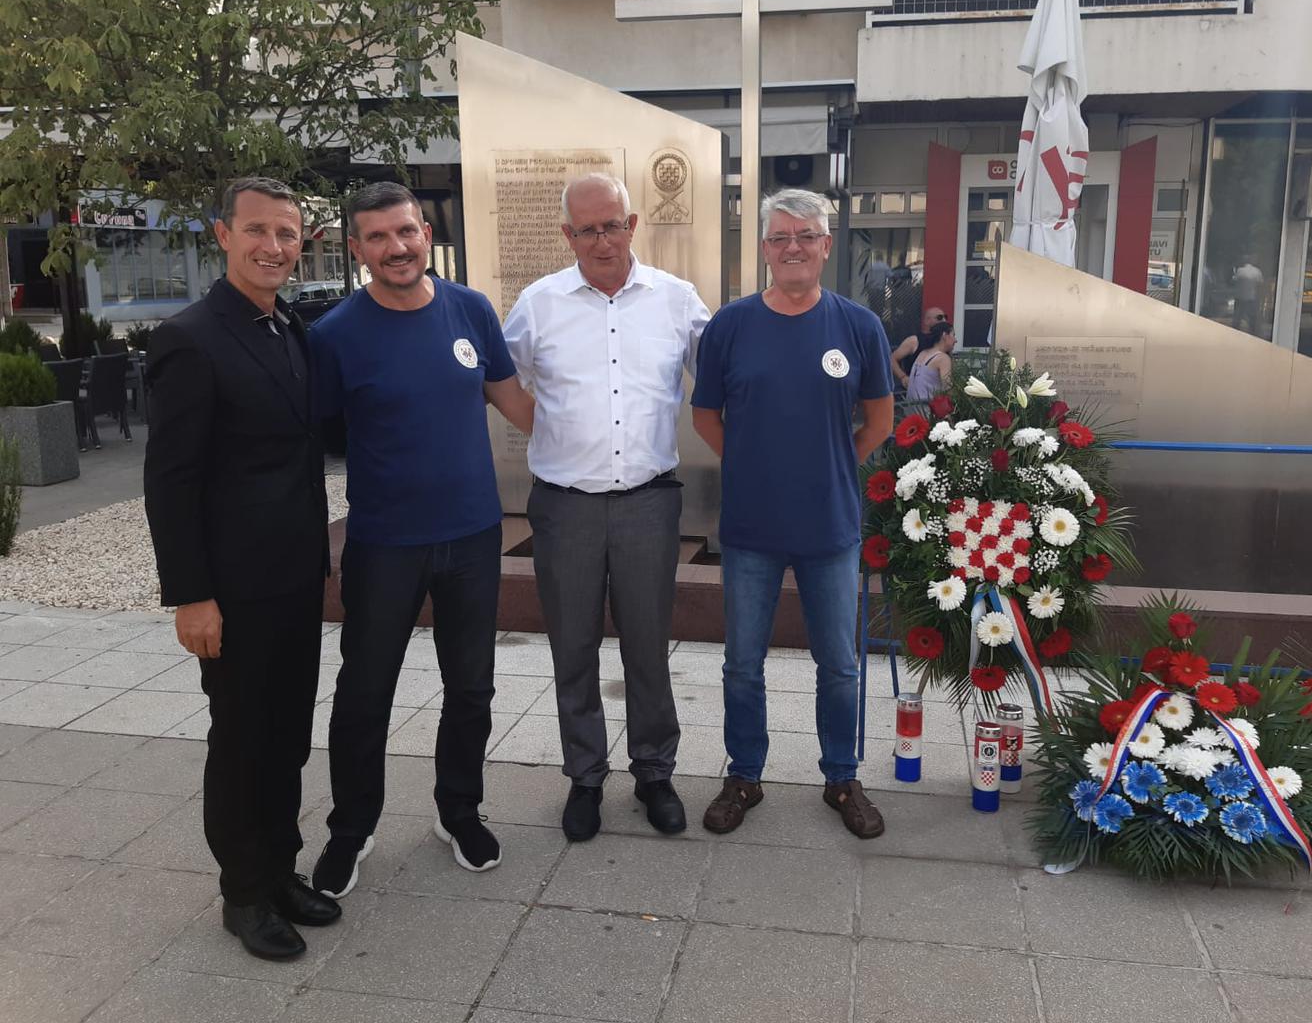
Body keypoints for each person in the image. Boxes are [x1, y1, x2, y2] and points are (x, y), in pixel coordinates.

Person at [308, 182, 534, 897]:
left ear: (426, 235)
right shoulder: (334, 335)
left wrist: (613, 441)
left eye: (405, 231)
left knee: (471, 687)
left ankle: (458, 811)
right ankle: (351, 829)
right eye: (377, 237)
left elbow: (517, 404)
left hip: (473, 536)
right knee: (364, 692)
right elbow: (311, 439)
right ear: (356, 249)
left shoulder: (470, 310)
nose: (396, 247)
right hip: (385, 543)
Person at [144, 177, 337, 961]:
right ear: (223, 235)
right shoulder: (190, 339)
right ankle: (244, 894)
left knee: (287, 736)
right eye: (257, 230)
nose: (273, 247)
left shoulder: (288, 327)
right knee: (243, 741)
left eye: (287, 234)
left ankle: (280, 870)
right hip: (232, 589)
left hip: (294, 577)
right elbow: (171, 479)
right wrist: (191, 595)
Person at [503, 173, 710, 843]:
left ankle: (654, 772)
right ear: (568, 235)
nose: (602, 240)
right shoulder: (539, 304)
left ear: (633, 224)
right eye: (587, 229)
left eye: (612, 225)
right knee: (573, 647)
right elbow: (498, 378)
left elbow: (728, 371)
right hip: (565, 508)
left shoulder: (676, 300)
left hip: (649, 504)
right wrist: (546, 429)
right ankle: (586, 777)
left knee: (648, 646)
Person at [691, 188, 894, 839]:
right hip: (750, 527)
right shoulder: (730, 325)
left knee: (839, 665)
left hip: (829, 525)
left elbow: (879, 421)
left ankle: (841, 777)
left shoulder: (858, 326)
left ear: (827, 245)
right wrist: (750, 463)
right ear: (764, 249)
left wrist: (831, 464)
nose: (793, 247)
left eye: (806, 235)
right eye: (780, 237)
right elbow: (705, 415)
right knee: (742, 663)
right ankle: (744, 775)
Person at [889, 305, 946, 392]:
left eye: (945, 317)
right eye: (939, 318)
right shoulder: (914, 341)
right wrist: (903, 377)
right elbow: (892, 359)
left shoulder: (944, 341)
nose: (944, 320)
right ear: (927, 320)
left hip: (937, 391)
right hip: (917, 391)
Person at [904, 321, 955, 403]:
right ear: (944, 335)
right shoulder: (943, 358)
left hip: (910, 407)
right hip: (926, 407)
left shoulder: (923, 353)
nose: (955, 340)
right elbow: (948, 388)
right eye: (953, 335)